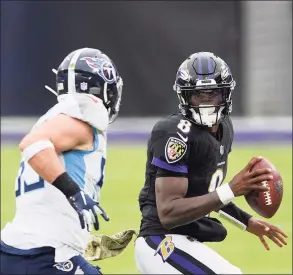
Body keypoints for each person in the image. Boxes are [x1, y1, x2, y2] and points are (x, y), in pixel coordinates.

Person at [134, 52, 288, 274]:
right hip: (160, 241)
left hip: (184, 241)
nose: (206, 102)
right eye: (198, 95)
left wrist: (246, 221)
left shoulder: (224, 129)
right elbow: (168, 213)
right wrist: (231, 189)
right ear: (185, 97)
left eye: (213, 94)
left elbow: (206, 193)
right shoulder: (176, 134)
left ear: (225, 94)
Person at [0, 47, 123, 274]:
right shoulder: (81, 119)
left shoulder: (55, 118)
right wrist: (74, 192)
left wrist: (82, 239)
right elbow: (32, 145)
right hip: (45, 255)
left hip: (19, 250)